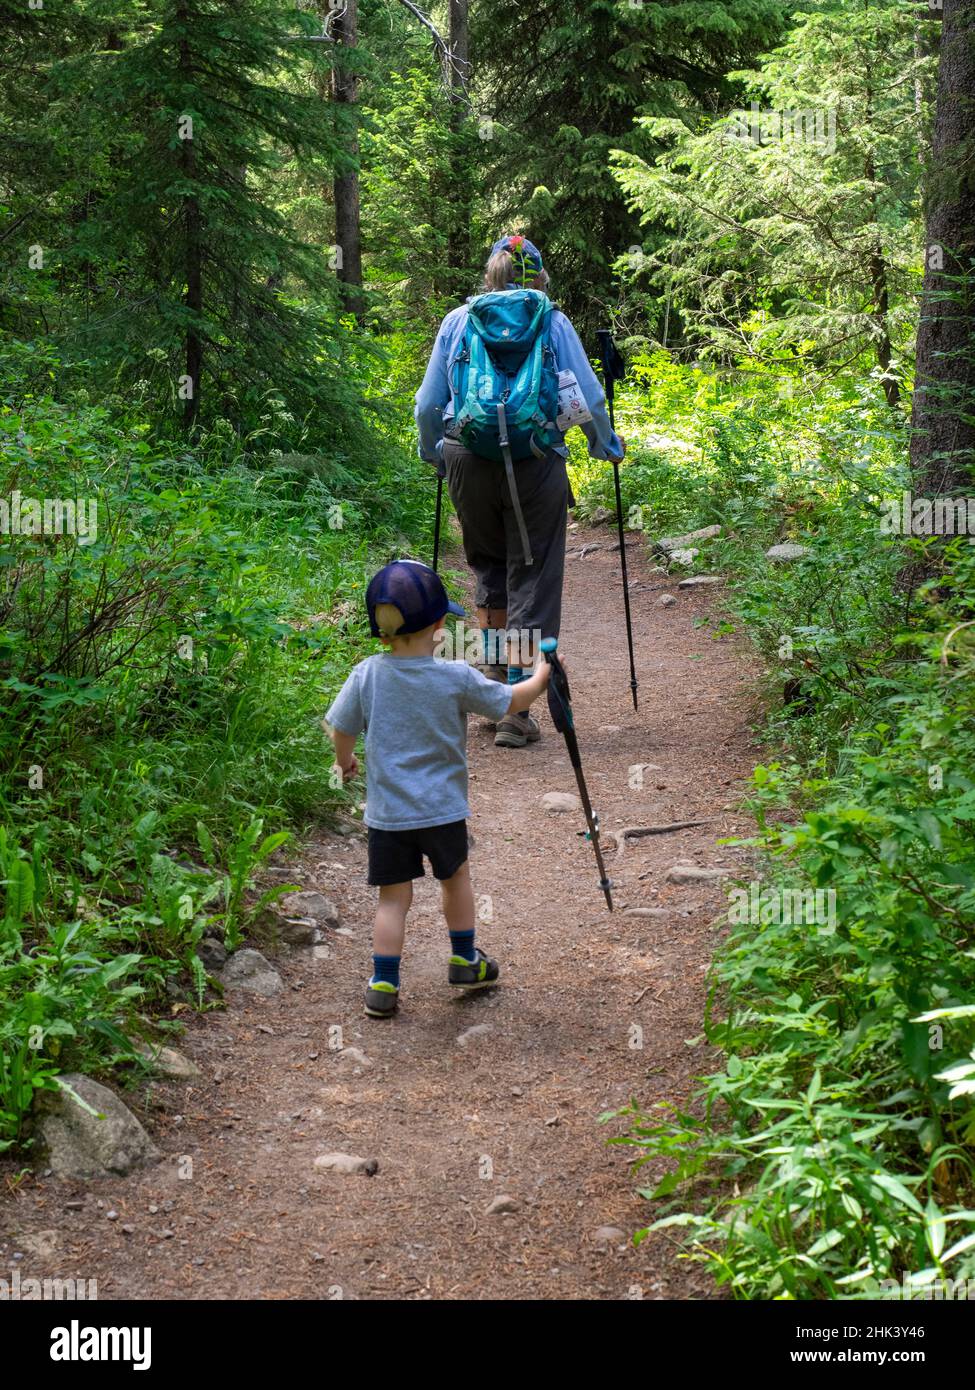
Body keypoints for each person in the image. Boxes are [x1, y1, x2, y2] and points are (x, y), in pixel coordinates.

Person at [415, 233, 625, 749]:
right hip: (536, 458)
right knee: (531, 573)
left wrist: (435, 454)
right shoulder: (551, 322)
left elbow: (427, 405)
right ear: (539, 278)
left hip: (467, 457)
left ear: (490, 275)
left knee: (488, 566)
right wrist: (604, 445)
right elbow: (589, 397)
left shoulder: (458, 321)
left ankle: (491, 681)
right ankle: (516, 710)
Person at [325, 559, 551, 1018]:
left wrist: (344, 761)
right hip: (443, 811)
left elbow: (341, 728)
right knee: (456, 880)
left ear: (380, 631)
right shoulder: (454, 677)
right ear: (438, 626)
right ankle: (465, 959)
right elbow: (512, 701)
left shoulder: (367, 674)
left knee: (393, 898)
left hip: (388, 815)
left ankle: (384, 984)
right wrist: (543, 672)